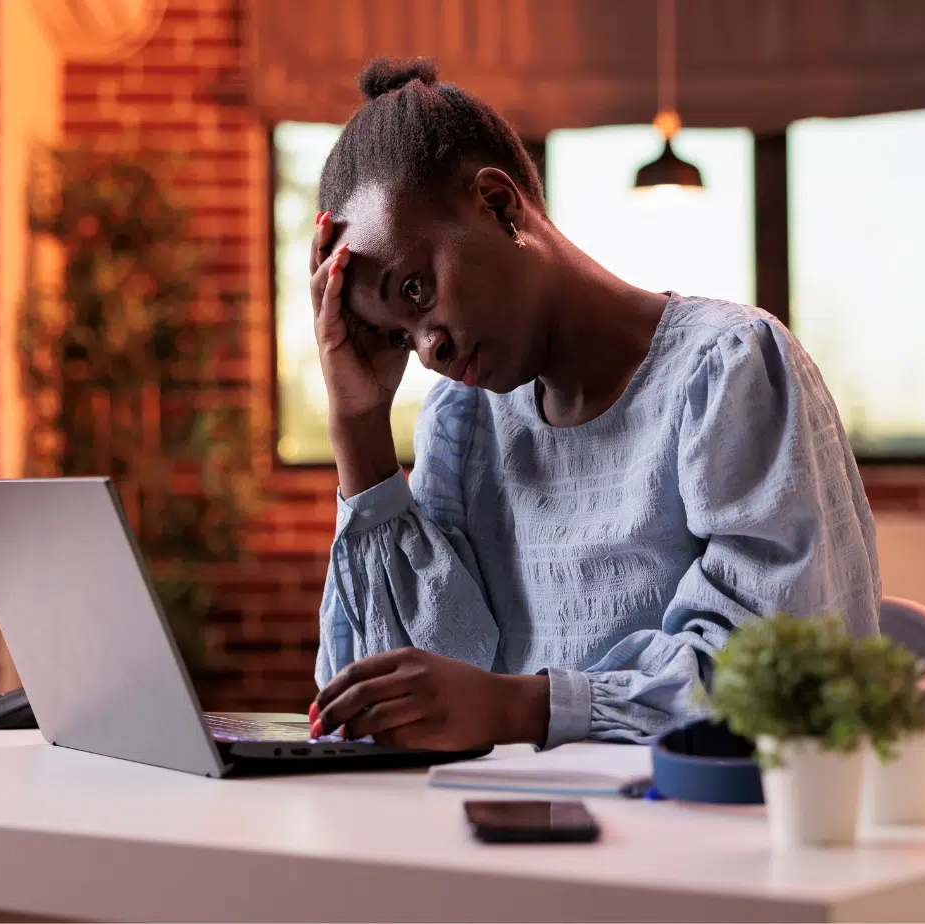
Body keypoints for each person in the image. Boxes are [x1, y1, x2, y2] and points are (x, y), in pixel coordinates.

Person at [307, 56, 880, 752]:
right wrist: (358, 424)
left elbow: (777, 680)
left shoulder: (724, 371)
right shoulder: (465, 424)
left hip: (703, 843)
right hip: (505, 835)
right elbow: (397, 701)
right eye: (398, 336)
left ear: (498, 203)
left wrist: (519, 708)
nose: (428, 350)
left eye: (417, 292)